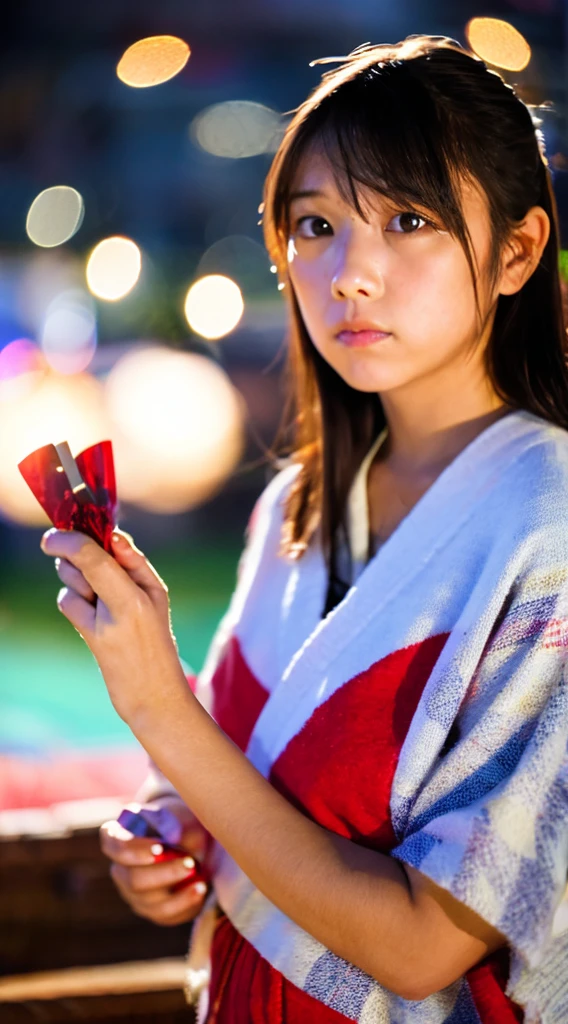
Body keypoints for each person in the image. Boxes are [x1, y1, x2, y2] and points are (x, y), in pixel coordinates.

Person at [42, 33, 568, 1024]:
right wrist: (168, 831)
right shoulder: (296, 506)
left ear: (515, 250)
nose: (349, 273)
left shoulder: (551, 526)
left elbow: (421, 946)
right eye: (316, 224)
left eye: (407, 219)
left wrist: (159, 706)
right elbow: (220, 772)